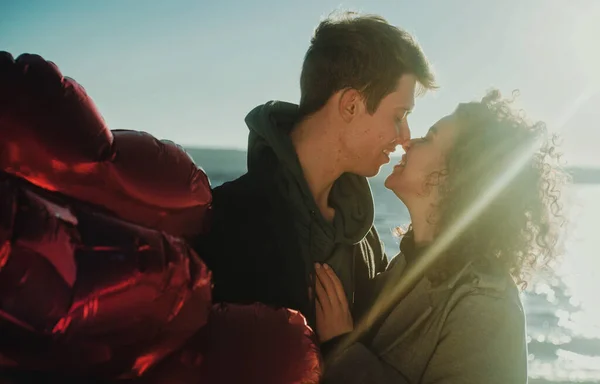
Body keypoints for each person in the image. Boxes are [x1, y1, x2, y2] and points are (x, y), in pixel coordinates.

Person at [194, 11, 436, 326]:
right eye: (398, 115)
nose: (404, 136)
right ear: (351, 104)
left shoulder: (363, 236)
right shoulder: (226, 224)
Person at [314, 90, 567, 383]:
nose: (407, 142)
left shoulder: (486, 305)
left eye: (429, 137)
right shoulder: (407, 266)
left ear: (456, 177)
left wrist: (340, 348)